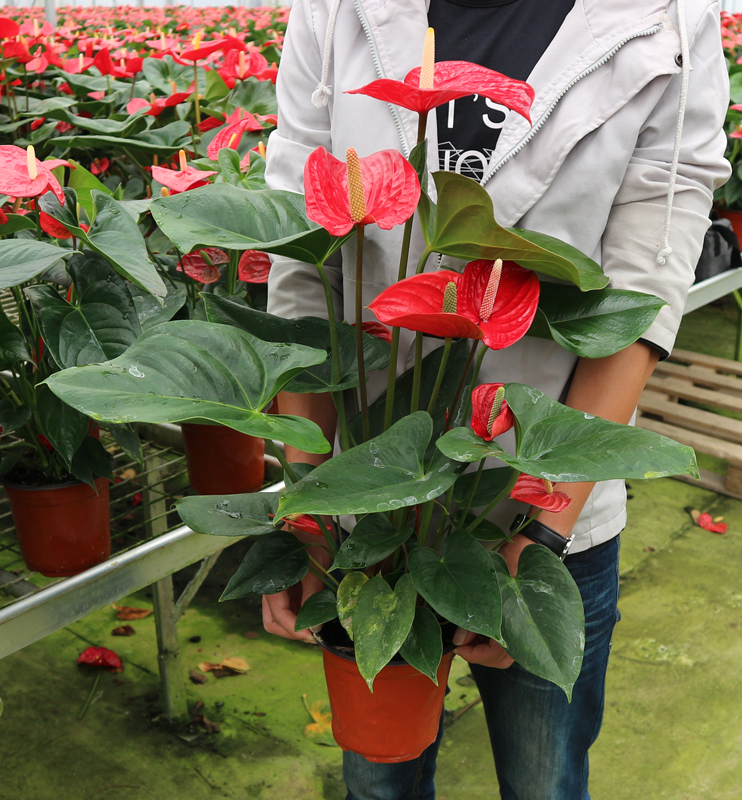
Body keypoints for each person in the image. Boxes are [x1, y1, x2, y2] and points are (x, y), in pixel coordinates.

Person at [261, 0, 730, 798]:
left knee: (545, 780)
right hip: (371, 508)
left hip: (548, 508)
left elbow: (643, 287)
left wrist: (539, 536)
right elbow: (303, 260)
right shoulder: (337, 8)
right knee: (380, 780)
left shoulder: (672, 19)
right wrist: (306, 508)